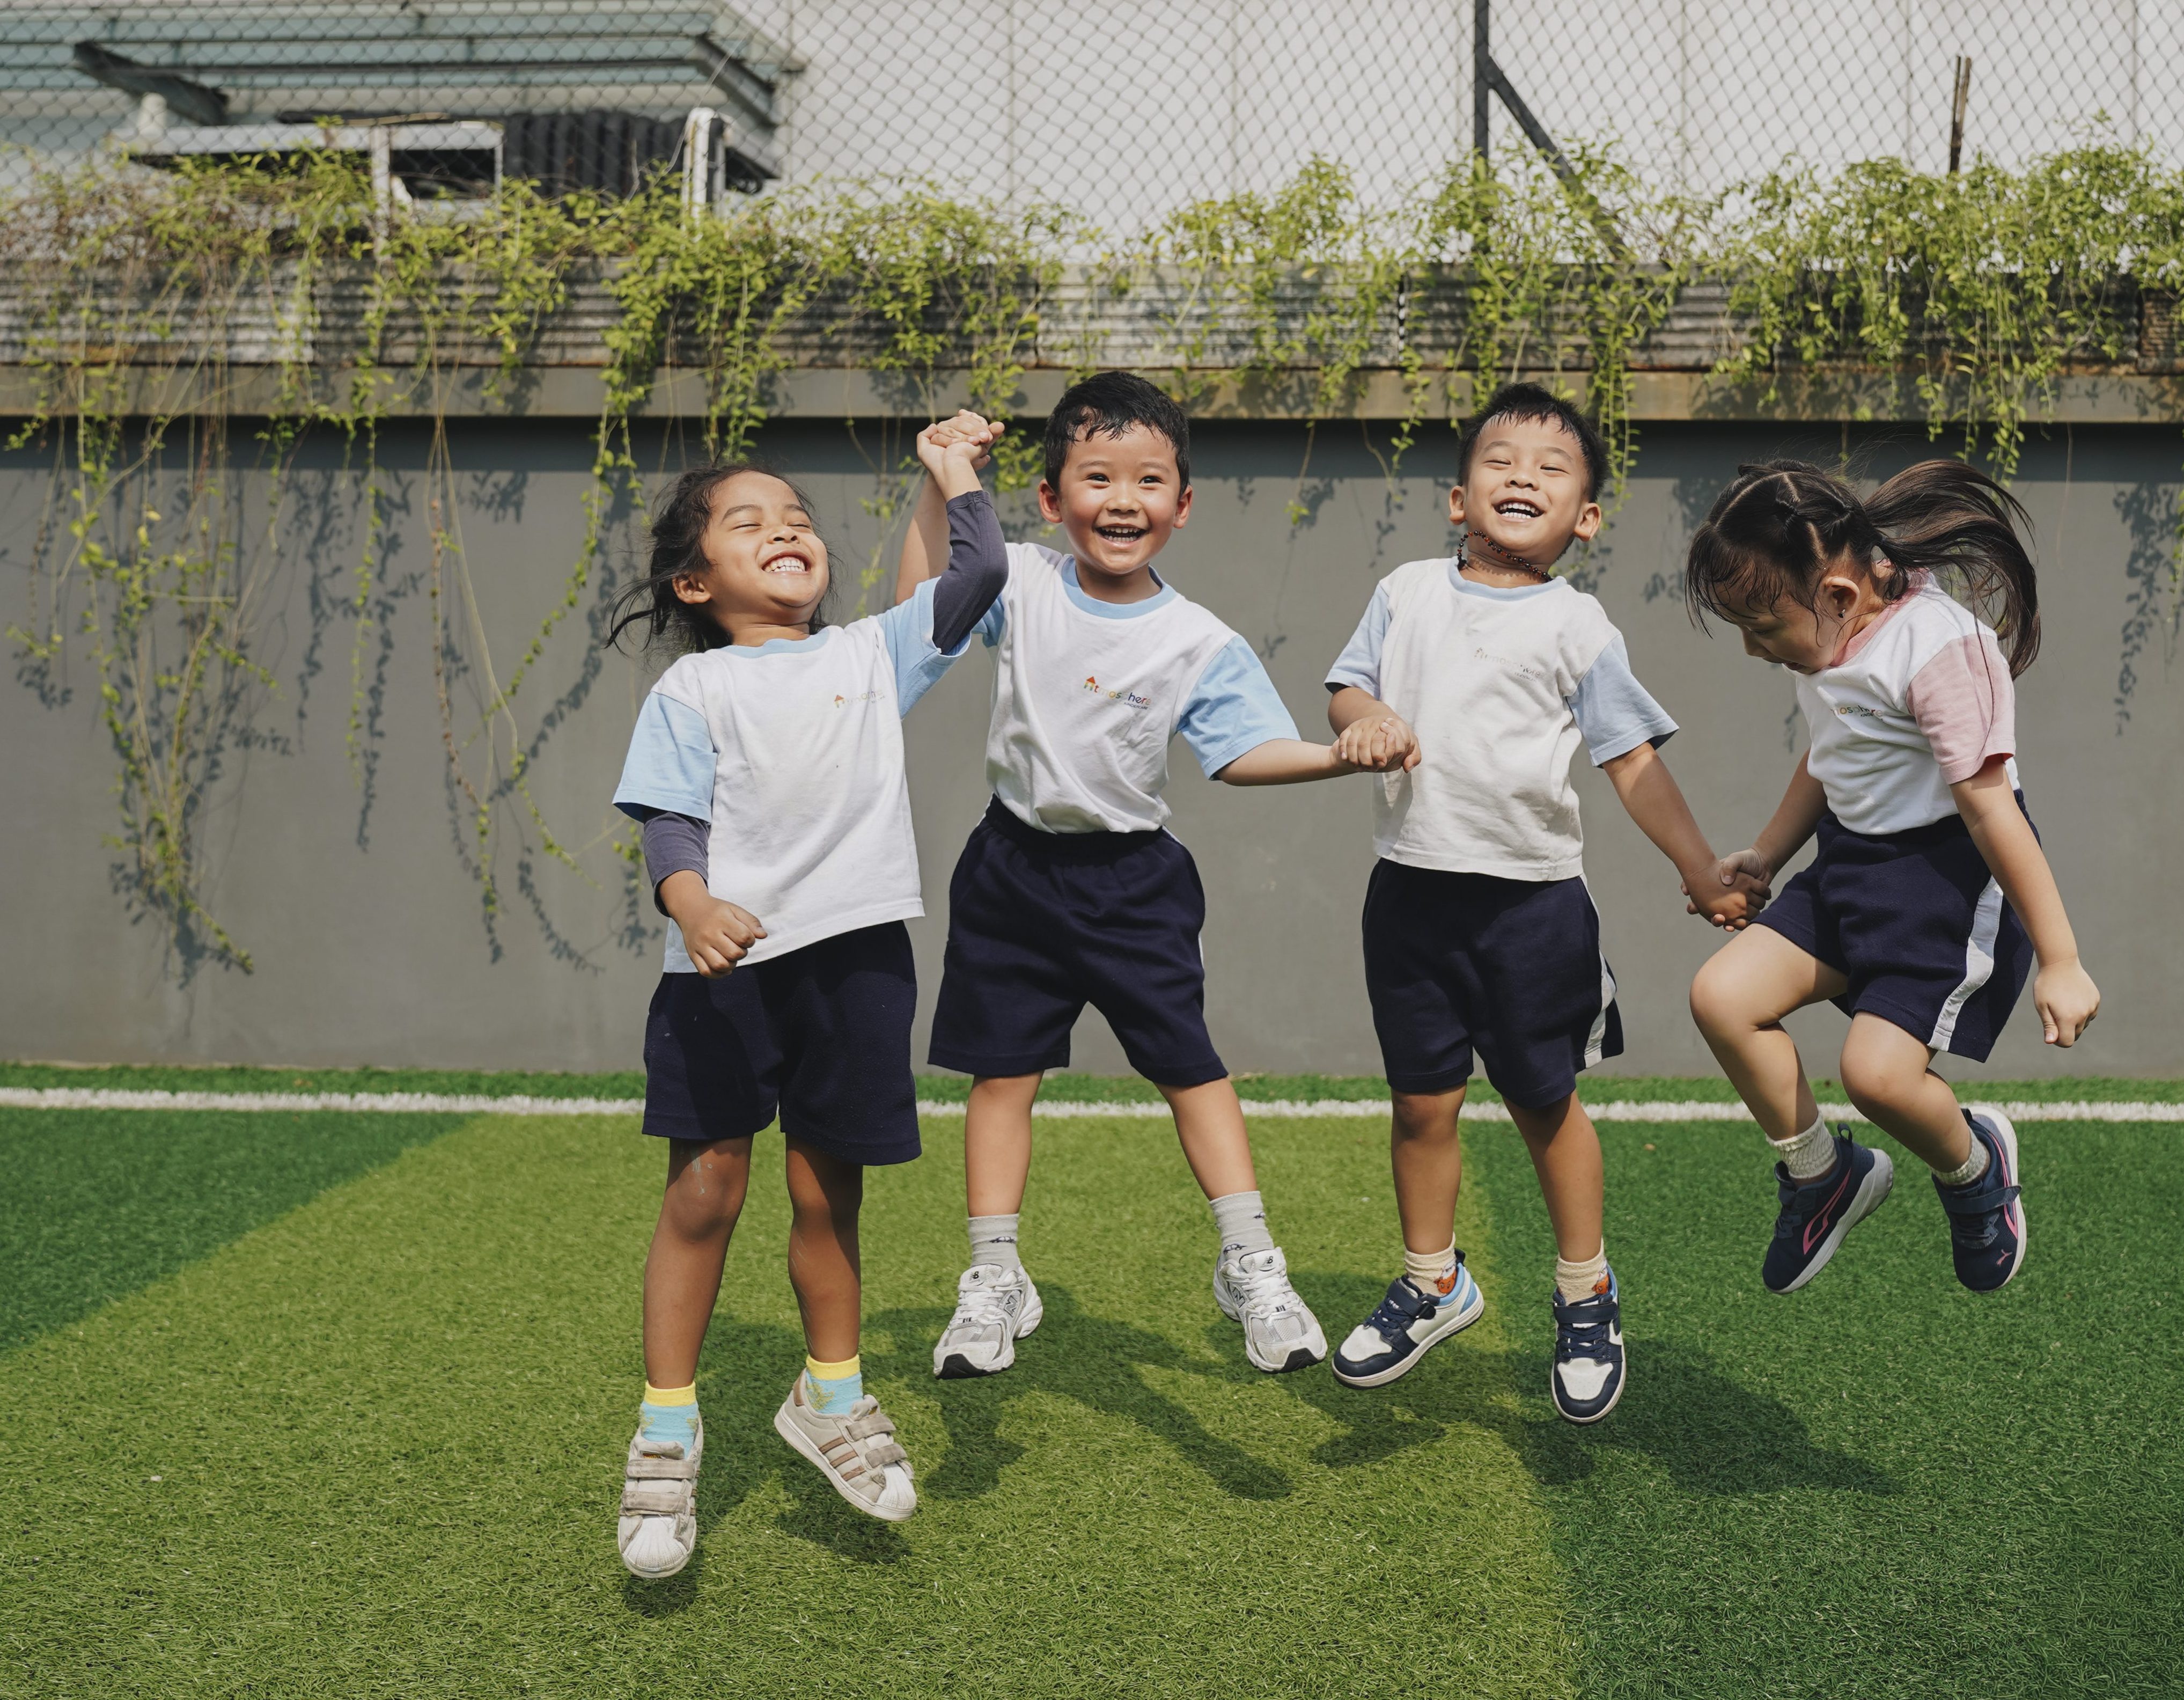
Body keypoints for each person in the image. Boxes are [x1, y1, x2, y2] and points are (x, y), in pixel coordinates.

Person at [908, 372, 1395, 1383]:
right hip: (1009, 872)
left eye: (1147, 480)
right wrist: (941, 478)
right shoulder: (1019, 579)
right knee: (1003, 1079)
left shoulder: (1198, 640)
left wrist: (1337, 756)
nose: (1122, 500)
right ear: (1052, 499)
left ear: (1183, 503)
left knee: (1190, 1070)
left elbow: (1243, 753)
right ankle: (995, 1275)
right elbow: (923, 609)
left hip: (1134, 883)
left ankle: (1251, 1263)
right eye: (1097, 478)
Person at [602, 417, 1007, 1581]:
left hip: (858, 967)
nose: (785, 529)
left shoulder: (873, 654)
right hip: (721, 978)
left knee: (830, 1199)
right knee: (705, 1194)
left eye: (797, 517)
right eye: (749, 522)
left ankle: (829, 1397)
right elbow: (670, 823)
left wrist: (949, 471)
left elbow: (979, 570)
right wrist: (691, 904)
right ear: (695, 581)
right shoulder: (692, 685)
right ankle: (666, 1432)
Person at [1322, 381, 1749, 1425]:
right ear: (1457, 499)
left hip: (1531, 915)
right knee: (1421, 1105)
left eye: (1552, 469)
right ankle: (1433, 1282)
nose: (1522, 478)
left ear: (1585, 518)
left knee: (1541, 1103)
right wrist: (1365, 715)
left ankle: (1585, 1292)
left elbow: (1632, 761)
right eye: (1500, 461)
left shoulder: (1577, 626)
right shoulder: (1403, 592)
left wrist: (1700, 869)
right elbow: (1346, 687)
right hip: (1408, 902)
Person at [1681, 458, 2101, 1300]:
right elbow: (1833, 751)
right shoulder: (1831, 635)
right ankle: (1822, 1175)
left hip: (1942, 885)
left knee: (1876, 1078)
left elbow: (1993, 811)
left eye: (1760, 626)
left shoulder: (1939, 649)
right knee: (1721, 998)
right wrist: (1768, 853)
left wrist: (2061, 959)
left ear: (1839, 594)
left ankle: (1975, 1168)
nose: (1752, 647)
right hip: (1850, 864)